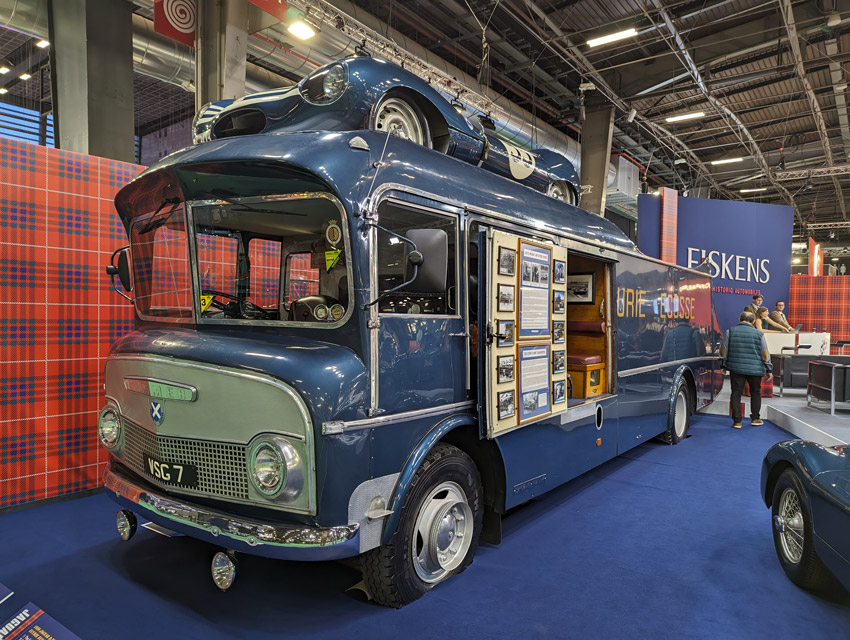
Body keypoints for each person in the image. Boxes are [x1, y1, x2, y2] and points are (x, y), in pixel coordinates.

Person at [720, 311, 772, 428]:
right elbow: (765, 353)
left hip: (736, 368)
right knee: (755, 393)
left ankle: (737, 421)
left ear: (740, 319)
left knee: (736, 394)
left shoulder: (730, 331)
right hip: (755, 369)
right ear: (753, 321)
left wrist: (722, 365)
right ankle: (755, 418)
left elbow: (723, 350)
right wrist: (769, 369)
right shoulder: (759, 334)